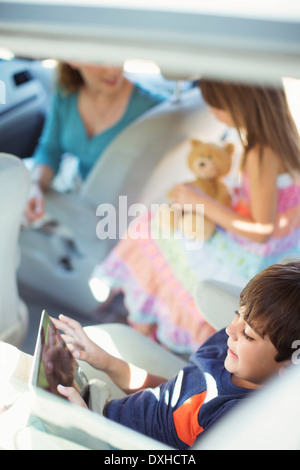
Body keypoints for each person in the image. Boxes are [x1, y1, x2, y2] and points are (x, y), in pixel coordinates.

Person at [95, 78, 300, 353]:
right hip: (282, 247)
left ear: (240, 105)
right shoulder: (287, 137)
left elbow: (261, 229)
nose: (213, 112)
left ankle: (143, 326)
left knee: (151, 227)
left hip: (253, 256)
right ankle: (146, 323)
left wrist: (200, 201)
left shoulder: (261, 152)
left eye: (217, 106)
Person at [53, 262, 300, 450]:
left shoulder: (237, 420)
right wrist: (105, 361)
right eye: (238, 314)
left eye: (248, 334)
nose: (230, 330)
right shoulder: (223, 350)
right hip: (101, 409)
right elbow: (171, 393)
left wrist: (87, 430)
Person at [25, 61, 165, 224]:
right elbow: (50, 149)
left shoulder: (154, 108)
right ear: (73, 60)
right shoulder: (66, 93)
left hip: (119, 212)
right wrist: (36, 186)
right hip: (76, 192)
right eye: (100, 59)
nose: (113, 69)